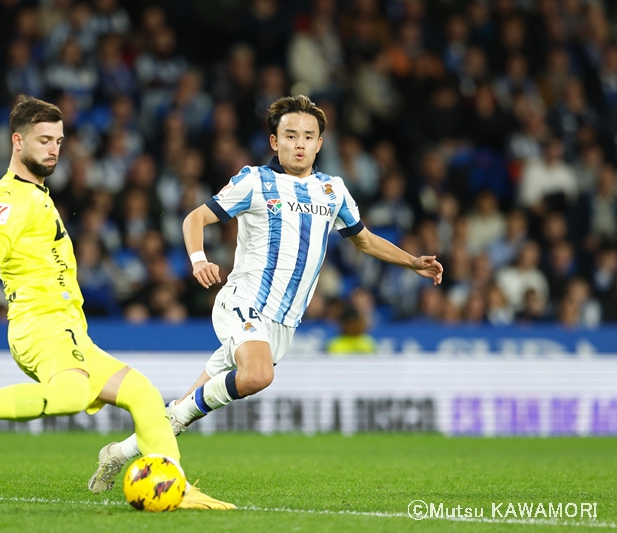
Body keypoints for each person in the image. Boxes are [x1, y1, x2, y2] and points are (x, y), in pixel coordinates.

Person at [88, 95, 443, 492]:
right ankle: (172, 420)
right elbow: (195, 218)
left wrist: (412, 262)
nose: (300, 143)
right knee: (258, 374)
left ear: (320, 143)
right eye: (290, 135)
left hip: (282, 325)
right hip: (243, 301)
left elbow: (364, 240)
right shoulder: (255, 181)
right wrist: (198, 259)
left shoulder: (333, 190)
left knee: (187, 408)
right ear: (275, 141)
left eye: (308, 136)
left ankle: (118, 453)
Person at [0, 95, 234, 510]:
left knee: (144, 395)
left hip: (70, 330)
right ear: (17, 142)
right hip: (40, 326)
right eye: (43, 140)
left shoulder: (35, 193)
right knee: (72, 395)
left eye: (58, 140)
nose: (54, 148)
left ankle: (174, 486)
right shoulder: (12, 199)